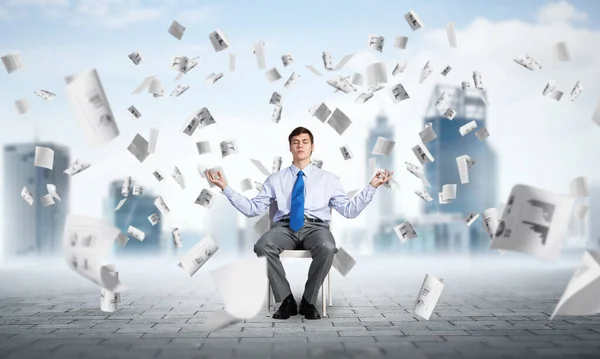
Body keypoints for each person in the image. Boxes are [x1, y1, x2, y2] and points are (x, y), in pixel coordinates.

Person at [205, 126, 393, 320]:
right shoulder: (275, 179)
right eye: (296, 142)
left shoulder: (328, 179)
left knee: (328, 247)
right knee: (263, 245)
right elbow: (252, 208)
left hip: (316, 228)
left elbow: (349, 210)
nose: (300, 145)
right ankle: (286, 300)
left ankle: (308, 301)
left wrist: (372, 187)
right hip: (284, 228)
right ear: (290, 148)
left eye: (304, 142)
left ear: (312, 147)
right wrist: (225, 188)